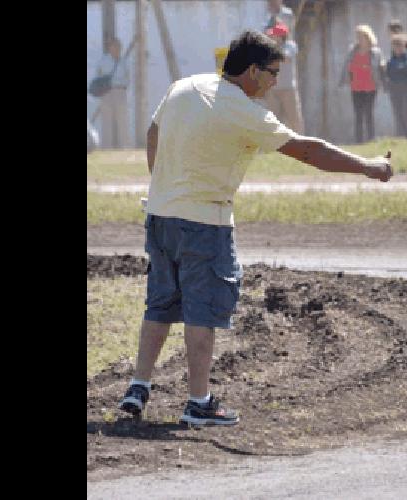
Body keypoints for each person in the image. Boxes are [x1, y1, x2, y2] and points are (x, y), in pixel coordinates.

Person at [118, 30, 393, 426]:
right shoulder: (245, 112)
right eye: (273, 73)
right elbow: (309, 150)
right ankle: (199, 402)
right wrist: (368, 167)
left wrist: (161, 186)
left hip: (160, 217)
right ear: (251, 71)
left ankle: (138, 387)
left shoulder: (185, 86)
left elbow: (153, 133)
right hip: (205, 223)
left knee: (160, 303)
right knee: (202, 311)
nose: (276, 82)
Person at [339, 25, 384, 143]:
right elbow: (346, 66)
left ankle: (371, 139)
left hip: (370, 86)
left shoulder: (375, 52)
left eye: (361, 36)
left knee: (368, 113)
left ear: (368, 37)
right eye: (357, 36)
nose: (359, 39)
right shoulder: (352, 50)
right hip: (356, 86)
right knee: (358, 114)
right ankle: (358, 140)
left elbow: (380, 68)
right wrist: (345, 79)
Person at [264, 22, 305, 131]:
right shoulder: (269, 47)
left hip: (288, 88)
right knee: (272, 120)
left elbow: (286, 58)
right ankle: (274, 144)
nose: (271, 37)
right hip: (272, 89)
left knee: (294, 119)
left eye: (274, 35)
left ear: (281, 36)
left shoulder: (290, 45)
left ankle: (301, 144)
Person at [96, 37, 130, 149]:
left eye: (118, 47)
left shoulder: (124, 62)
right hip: (107, 92)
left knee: (122, 120)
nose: (116, 49)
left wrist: (119, 83)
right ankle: (106, 147)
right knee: (106, 120)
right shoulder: (103, 61)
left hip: (120, 91)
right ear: (110, 48)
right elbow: (98, 77)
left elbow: (127, 78)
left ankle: (124, 146)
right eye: (114, 46)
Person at [384, 33, 407, 138]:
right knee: (397, 114)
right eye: (395, 46)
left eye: (399, 45)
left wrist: (396, 69)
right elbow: (388, 71)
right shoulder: (392, 58)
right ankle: (400, 137)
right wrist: (397, 69)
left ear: (404, 45)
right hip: (394, 88)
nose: (397, 48)